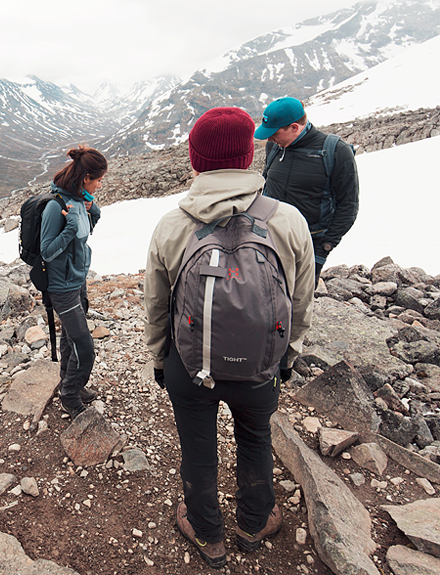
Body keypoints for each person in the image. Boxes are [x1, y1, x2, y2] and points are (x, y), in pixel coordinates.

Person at [143, 108, 315, 568]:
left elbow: (157, 305)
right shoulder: (289, 220)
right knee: (255, 439)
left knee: (197, 445)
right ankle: (254, 523)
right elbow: (300, 300)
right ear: (248, 154)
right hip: (261, 366)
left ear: (195, 160)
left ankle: (207, 532)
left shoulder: (172, 225)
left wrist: (161, 360)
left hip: (190, 365)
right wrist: (287, 357)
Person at [254, 96, 359, 286]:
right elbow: (267, 184)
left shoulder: (335, 151)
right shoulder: (275, 146)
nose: (269, 138)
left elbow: (348, 206)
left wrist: (322, 251)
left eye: (274, 133)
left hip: (306, 246)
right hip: (267, 240)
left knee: (296, 304)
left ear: (295, 127)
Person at [41, 145, 106, 420]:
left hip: (77, 280)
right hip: (62, 288)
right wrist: (68, 229)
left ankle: (72, 387)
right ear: (85, 177)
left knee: (70, 340)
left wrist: (94, 210)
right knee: (85, 347)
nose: (101, 184)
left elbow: (85, 231)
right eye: (99, 179)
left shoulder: (80, 199)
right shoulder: (56, 207)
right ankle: (69, 398)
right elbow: (47, 251)